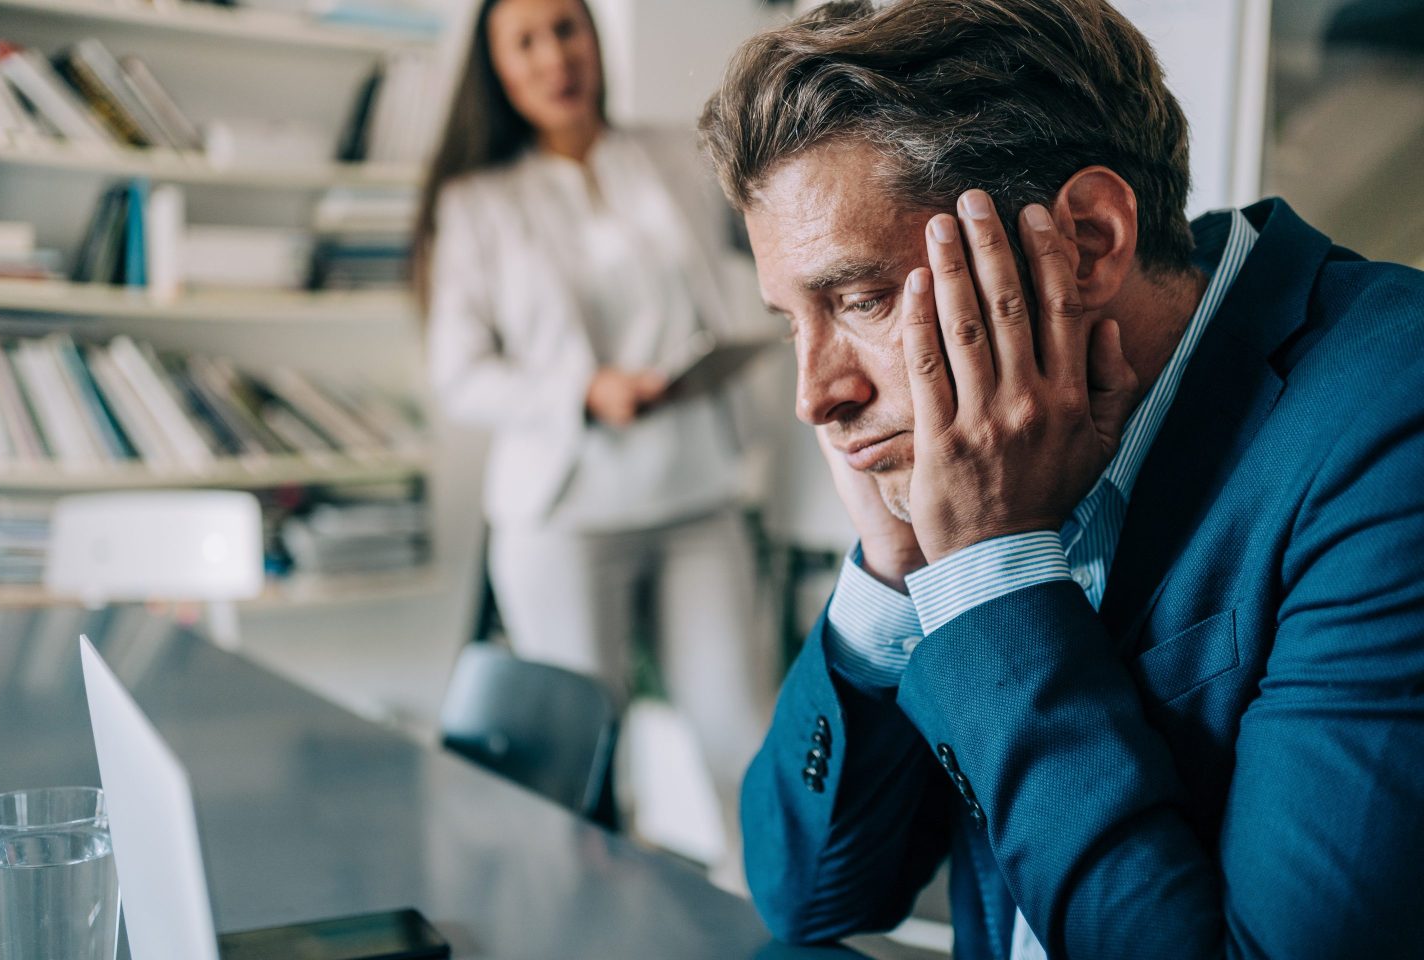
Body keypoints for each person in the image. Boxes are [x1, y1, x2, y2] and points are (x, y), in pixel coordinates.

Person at [697, 0, 1424, 957]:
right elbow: (809, 898)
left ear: (1085, 242)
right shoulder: (981, 444)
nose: (815, 396)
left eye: (861, 298)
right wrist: (894, 564)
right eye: (795, 320)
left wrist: (992, 565)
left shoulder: (1390, 420)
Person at [416, 0, 772, 862]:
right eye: (526, 42)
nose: (553, 58)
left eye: (566, 30)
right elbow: (459, 374)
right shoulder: (477, 202)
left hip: (696, 492)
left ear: (594, 38)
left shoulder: (672, 157)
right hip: (566, 517)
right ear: (496, 69)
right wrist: (584, 390)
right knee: (583, 766)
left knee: (745, 738)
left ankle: (775, 915)